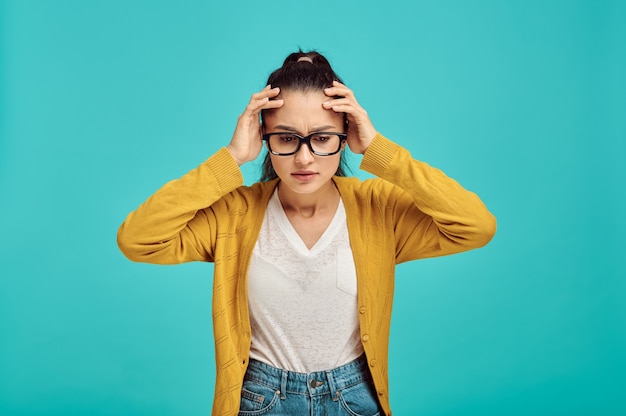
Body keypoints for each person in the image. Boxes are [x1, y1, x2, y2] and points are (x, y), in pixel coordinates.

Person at [117, 50, 496, 416]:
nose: (304, 158)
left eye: (321, 138)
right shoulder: (234, 214)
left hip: (355, 398)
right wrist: (231, 157)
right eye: (285, 138)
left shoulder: (378, 209)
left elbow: (475, 226)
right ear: (263, 138)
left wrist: (380, 150)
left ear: (345, 136)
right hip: (260, 399)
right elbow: (138, 239)